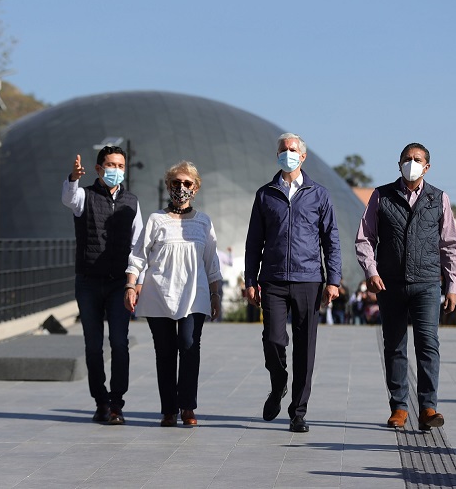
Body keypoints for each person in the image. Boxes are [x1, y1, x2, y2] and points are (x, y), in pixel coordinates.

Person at [355, 142, 456, 431]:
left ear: (427, 167)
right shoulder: (381, 196)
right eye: (406, 159)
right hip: (390, 284)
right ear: (398, 163)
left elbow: (450, 245)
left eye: (417, 160)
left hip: (427, 283)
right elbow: (364, 238)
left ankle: (428, 408)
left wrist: (452, 285)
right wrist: (371, 270)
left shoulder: (438, 199)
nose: (411, 163)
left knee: (428, 344)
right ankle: (399, 408)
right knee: (395, 345)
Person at [244, 132, 342, 433]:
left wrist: (333, 280)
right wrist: (250, 279)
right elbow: (253, 243)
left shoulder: (319, 194)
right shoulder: (265, 195)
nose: (288, 153)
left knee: (305, 348)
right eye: (283, 149)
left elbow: (331, 240)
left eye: (293, 149)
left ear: (303, 156)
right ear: (277, 155)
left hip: (308, 279)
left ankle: (298, 411)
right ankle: (279, 383)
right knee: (273, 340)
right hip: (272, 279)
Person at [124, 161, 221, 427]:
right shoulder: (156, 220)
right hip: (159, 294)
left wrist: (215, 295)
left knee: (190, 347)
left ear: (196, 188)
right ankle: (169, 409)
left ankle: (187, 406)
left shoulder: (203, 222)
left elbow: (211, 262)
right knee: (165, 352)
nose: (181, 188)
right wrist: (131, 285)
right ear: (168, 186)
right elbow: (138, 255)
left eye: (187, 183)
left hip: (194, 296)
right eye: (176, 183)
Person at [61, 146, 143, 425]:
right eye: (110, 165)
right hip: (88, 282)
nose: (115, 171)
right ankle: (101, 402)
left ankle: (117, 402)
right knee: (93, 345)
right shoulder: (84, 195)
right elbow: (68, 199)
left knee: (119, 343)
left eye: (120, 166)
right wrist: (72, 178)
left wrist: (136, 281)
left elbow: (138, 244)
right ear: (98, 169)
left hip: (120, 282)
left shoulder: (132, 201)